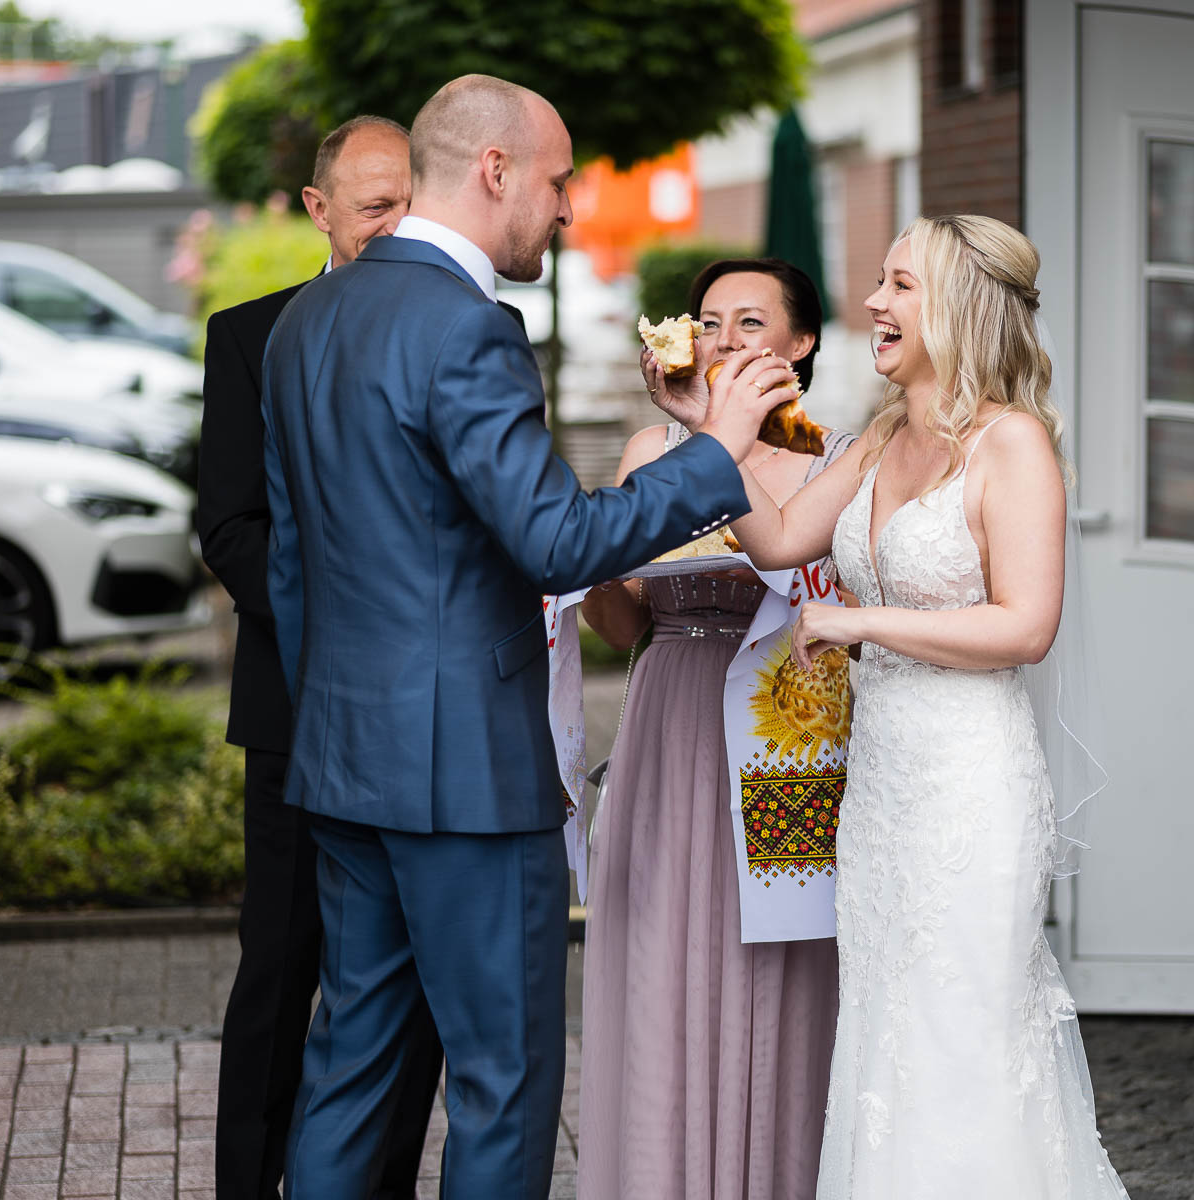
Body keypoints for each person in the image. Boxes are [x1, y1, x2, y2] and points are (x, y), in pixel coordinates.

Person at [262, 74, 796, 1198]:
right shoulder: (467, 328)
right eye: (558, 183)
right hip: (466, 777)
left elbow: (293, 568)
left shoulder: (306, 319)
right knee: (502, 1086)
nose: (568, 212)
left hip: (344, 762)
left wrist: (329, 730)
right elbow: (555, 543)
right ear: (494, 170)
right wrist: (720, 451)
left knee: (351, 1071)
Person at [726, 215, 1129, 1198]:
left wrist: (864, 628)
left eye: (900, 285)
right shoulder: (875, 441)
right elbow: (777, 541)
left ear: (958, 304)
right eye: (880, 282)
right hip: (883, 792)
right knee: (887, 1036)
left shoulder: (1012, 443)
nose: (874, 303)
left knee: (967, 1038)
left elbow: (1026, 626)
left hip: (971, 788)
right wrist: (721, 437)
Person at [196, 115, 442, 1200]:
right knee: (284, 968)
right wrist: (343, 629)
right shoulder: (249, 337)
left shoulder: (460, 332)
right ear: (319, 208)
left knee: (419, 981)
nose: (392, 226)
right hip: (300, 713)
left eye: (407, 204)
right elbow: (231, 530)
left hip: (430, 726)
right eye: (373, 204)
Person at [577, 258, 851, 1200]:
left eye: (750, 322)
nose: (725, 340)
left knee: (779, 959)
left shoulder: (836, 460)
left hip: (785, 740)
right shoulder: (652, 456)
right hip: (670, 723)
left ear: (801, 343)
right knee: (661, 958)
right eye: (709, 321)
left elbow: (840, 609)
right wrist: (601, 568)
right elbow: (620, 630)